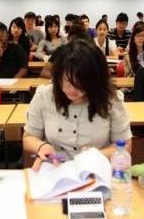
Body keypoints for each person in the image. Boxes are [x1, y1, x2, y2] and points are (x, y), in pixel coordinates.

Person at [23, 39, 132, 171]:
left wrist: (95, 156)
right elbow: (29, 137)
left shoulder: (110, 99)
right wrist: (41, 146)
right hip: (55, 170)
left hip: (96, 170)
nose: (72, 90)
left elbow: (125, 145)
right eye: (67, 82)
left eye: (81, 84)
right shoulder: (44, 96)